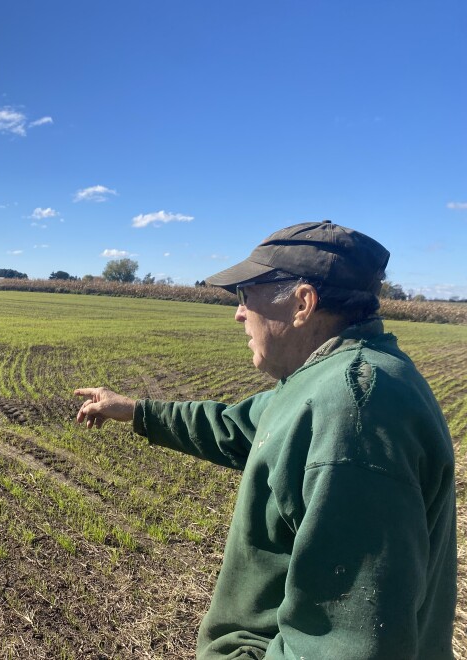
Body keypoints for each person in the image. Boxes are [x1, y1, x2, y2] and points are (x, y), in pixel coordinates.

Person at [75, 220, 457, 659]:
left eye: (245, 295)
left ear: (302, 303)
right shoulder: (326, 381)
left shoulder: (354, 412)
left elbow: (343, 643)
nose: (239, 313)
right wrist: (135, 410)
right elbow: (236, 427)